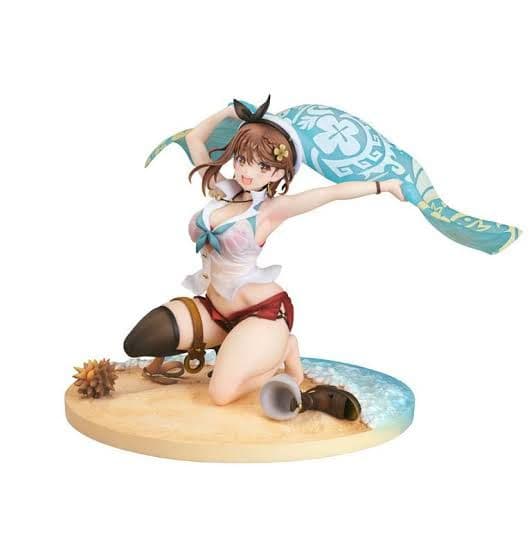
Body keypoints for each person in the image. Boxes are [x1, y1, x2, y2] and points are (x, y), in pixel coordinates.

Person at [123, 97, 405, 420]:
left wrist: (384, 186)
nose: (247, 171)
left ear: (277, 173)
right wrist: (230, 111)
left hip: (262, 312)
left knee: (220, 393)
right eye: (243, 159)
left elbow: (328, 194)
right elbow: (194, 138)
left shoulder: (270, 211)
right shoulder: (219, 188)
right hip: (214, 309)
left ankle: (281, 350)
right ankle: (232, 346)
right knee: (147, 336)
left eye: (263, 167)